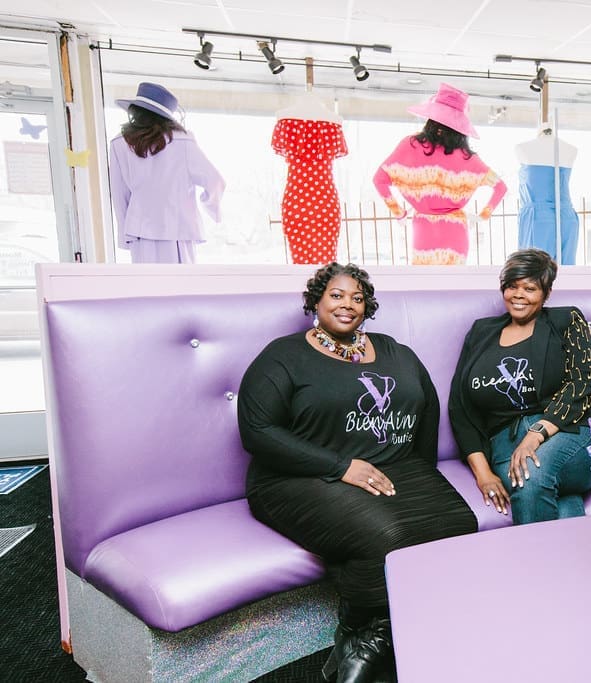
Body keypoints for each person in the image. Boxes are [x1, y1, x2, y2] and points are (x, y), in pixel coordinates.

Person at [238, 262, 477, 683]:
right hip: (295, 479)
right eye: (336, 295)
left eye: (357, 297)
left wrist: (417, 473)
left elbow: (427, 408)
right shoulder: (284, 355)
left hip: (391, 468)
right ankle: (366, 635)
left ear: (367, 307)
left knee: (458, 522)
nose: (347, 304)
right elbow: (257, 432)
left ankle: (366, 636)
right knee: (385, 536)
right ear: (315, 301)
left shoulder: (393, 350)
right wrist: (340, 466)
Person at [448, 248, 591, 524]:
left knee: (530, 474)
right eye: (511, 286)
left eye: (530, 288)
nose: (518, 294)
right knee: (558, 499)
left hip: (570, 433)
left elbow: (581, 385)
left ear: (546, 293)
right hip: (504, 446)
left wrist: (534, 436)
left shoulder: (566, 320)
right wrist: (483, 474)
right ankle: (571, 564)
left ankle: (531, 567)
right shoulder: (481, 332)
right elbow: (460, 407)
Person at [373, 83, 507, 265]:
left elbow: (379, 180)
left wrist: (400, 213)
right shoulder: (468, 157)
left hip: (423, 228)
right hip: (456, 230)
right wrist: (482, 215)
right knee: (454, 286)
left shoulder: (410, 145)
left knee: (424, 285)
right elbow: (500, 188)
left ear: (431, 118)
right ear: (460, 126)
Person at [108, 82, 225, 263]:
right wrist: (211, 207)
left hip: (140, 232)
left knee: (149, 288)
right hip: (179, 229)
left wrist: (125, 234)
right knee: (182, 287)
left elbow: (119, 194)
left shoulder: (119, 143)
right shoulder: (184, 141)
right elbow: (215, 181)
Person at [272, 92, 348, 264]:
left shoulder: (286, 122)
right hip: (323, 199)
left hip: (298, 198)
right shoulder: (332, 124)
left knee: (314, 267)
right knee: (322, 268)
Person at [515, 128, 580, 265]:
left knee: (534, 273)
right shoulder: (570, 149)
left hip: (538, 218)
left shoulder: (523, 148)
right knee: (566, 274)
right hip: (567, 217)